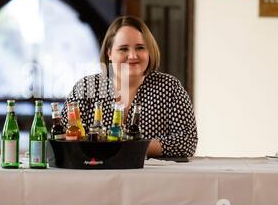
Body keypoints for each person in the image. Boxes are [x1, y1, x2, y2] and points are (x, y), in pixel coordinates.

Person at [62, 15, 198, 157]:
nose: (132, 56)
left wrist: (129, 148)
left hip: (152, 177)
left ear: (149, 51)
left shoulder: (170, 88)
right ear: (109, 53)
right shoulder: (85, 88)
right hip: (96, 175)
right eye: (123, 49)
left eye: (140, 48)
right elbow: (64, 137)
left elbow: (188, 141)